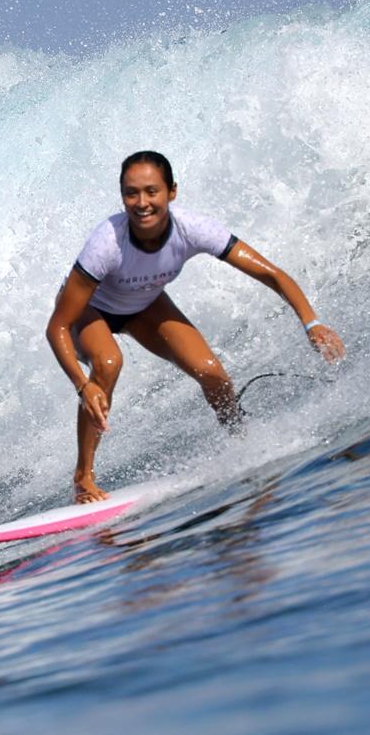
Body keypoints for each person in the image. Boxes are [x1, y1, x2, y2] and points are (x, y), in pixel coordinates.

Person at [46, 151, 344, 503]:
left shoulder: (192, 229)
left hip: (143, 305)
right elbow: (58, 327)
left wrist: (312, 322)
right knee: (108, 363)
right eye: (131, 193)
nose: (141, 203)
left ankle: (241, 443)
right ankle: (84, 478)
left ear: (172, 192)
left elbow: (271, 273)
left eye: (151, 191)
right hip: (89, 309)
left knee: (213, 375)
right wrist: (83, 386)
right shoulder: (107, 242)